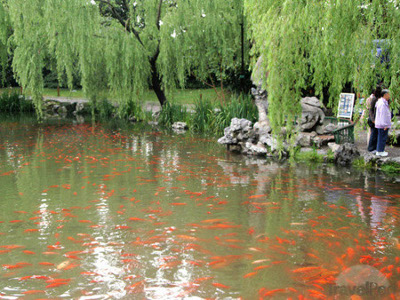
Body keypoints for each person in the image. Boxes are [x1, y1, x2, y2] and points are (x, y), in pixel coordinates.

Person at [375, 89, 392, 157]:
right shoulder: (382, 103)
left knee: (382, 137)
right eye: (388, 94)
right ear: (385, 95)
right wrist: (385, 125)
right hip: (382, 124)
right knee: (382, 138)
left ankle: (380, 150)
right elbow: (382, 115)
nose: (389, 96)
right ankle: (380, 151)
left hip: (382, 123)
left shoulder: (383, 102)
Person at [366, 86, 382, 152]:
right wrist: (373, 119)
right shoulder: (374, 99)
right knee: (373, 134)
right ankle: (371, 148)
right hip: (373, 120)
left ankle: (374, 147)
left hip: (376, 119)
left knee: (375, 134)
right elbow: (371, 110)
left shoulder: (377, 99)